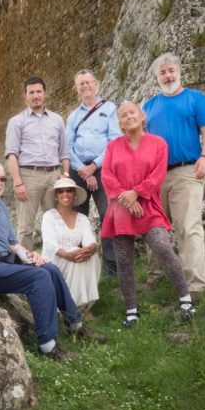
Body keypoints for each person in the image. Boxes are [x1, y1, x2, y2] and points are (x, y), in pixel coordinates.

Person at [0, 160, 106, 361]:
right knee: (39, 278)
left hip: (7, 259)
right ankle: (48, 345)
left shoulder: (0, 206)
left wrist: (29, 255)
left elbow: (12, 243)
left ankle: (75, 324)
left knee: (49, 268)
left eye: (2, 179)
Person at [101, 102, 195, 327]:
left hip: (148, 205)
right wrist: (126, 196)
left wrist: (137, 193)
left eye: (132, 112)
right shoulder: (113, 146)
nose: (128, 117)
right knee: (124, 259)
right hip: (121, 208)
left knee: (162, 246)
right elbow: (106, 175)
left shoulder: (158, 144)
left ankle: (185, 299)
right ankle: (131, 311)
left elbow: (158, 174)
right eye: (123, 115)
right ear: (120, 123)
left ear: (142, 117)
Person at [143, 54, 205, 299]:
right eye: (162, 73)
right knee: (153, 229)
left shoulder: (195, 99)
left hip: (187, 171)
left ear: (179, 71)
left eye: (171, 70)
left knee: (188, 227)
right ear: (157, 78)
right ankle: (155, 278)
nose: (168, 76)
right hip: (156, 176)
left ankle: (196, 285)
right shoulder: (150, 106)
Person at [5, 75, 70, 250]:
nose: (35, 96)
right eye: (31, 92)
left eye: (38, 92)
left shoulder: (57, 120)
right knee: (25, 228)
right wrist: (18, 183)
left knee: (55, 223)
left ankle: (55, 266)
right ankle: (27, 270)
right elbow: (12, 154)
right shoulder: (16, 122)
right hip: (28, 176)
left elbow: (64, 152)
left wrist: (64, 175)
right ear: (25, 96)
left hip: (53, 177)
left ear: (45, 94)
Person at [66, 69, 121, 276]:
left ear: (96, 85)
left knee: (108, 214)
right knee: (79, 216)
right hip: (78, 170)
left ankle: (110, 265)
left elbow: (113, 140)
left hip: (102, 168)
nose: (86, 86)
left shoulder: (109, 108)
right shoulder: (73, 117)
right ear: (77, 89)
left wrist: (94, 166)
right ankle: (82, 263)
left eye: (89, 82)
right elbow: (68, 146)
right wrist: (82, 169)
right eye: (81, 84)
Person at [41, 177, 101, 308]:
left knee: (92, 256)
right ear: (56, 195)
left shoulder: (83, 218)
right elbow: (50, 244)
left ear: (75, 194)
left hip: (73, 258)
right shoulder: (49, 216)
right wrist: (68, 255)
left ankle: (83, 306)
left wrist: (90, 249)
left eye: (69, 190)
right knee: (76, 253)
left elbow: (90, 240)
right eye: (60, 191)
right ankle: (72, 308)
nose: (65, 194)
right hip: (53, 261)